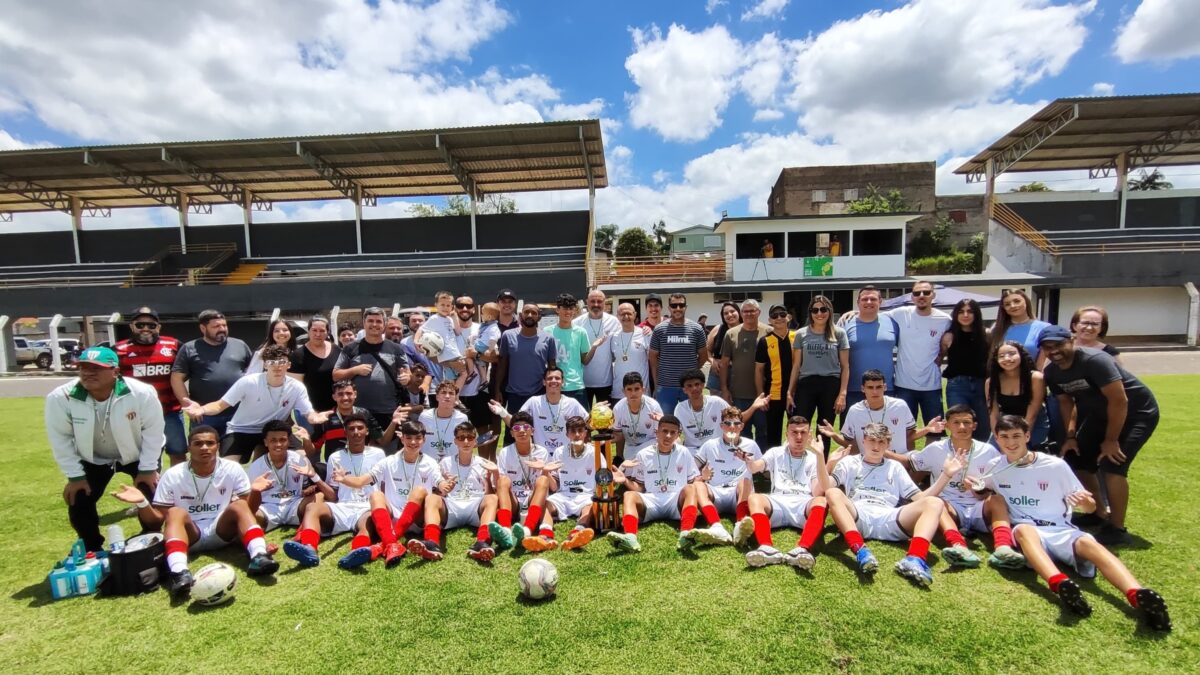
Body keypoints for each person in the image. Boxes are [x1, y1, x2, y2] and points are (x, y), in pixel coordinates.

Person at [976, 416, 1170, 631]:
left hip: (1060, 527)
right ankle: (1059, 584)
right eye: (1004, 437)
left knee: (1091, 546)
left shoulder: (1055, 465)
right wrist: (973, 487)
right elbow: (981, 491)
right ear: (996, 438)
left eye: (1016, 436)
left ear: (1028, 436)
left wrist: (1086, 502)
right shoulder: (995, 466)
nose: (1010, 443)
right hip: (1029, 529)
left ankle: (1137, 594)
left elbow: (1088, 507)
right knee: (1023, 530)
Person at [112, 425, 278, 598]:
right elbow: (156, 521)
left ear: (218, 446)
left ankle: (259, 556)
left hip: (221, 530)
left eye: (209, 443)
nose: (205, 447)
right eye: (198, 444)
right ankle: (179, 573)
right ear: (189, 448)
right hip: (190, 534)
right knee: (175, 512)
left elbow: (246, 513)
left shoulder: (232, 469)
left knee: (240, 505)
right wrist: (142, 502)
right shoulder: (173, 474)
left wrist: (256, 492)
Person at [1040, 326, 1159, 546]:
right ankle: (1099, 513)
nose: (1054, 350)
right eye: (1048, 347)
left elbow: (1119, 400)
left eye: (1058, 345)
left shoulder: (1095, 360)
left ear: (1071, 341)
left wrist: (1111, 440)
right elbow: (1067, 403)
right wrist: (1071, 436)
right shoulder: (1052, 373)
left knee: (1110, 464)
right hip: (1099, 415)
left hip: (1136, 414)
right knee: (1076, 457)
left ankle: (1117, 527)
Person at [46, 346, 163, 552]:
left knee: (150, 494)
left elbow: (153, 431)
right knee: (79, 500)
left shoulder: (141, 392)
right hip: (94, 457)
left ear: (115, 372)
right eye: (83, 367)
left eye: (96, 368)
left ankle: (150, 539)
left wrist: (147, 469)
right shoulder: (60, 397)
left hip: (138, 454)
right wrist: (75, 476)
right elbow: (60, 438)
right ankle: (93, 548)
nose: (88, 373)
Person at [884, 404, 1026, 569]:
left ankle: (1003, 548)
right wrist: (881, 451)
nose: (962, 427)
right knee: (937, 503)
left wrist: (980, 490)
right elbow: (910, 463)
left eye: (966, 422)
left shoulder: (989, 451)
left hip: (978, 506)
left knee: (997, 499)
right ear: (947, 425)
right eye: (956, 422)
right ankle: (959, 546)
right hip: (951, 507)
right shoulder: (936, 448)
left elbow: (994, 487)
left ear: (975, 425)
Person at [824, 422, 963, 585]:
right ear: (863, 441)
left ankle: (915, 559)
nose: (876, 446)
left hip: (889, 517)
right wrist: (823, 460)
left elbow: (920, 499)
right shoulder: (849, 462)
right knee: (833, 493)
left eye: (881, 441)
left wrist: (945, 475)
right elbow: (826, 487)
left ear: (888, 444)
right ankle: (860, 551)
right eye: (872, 440)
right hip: (858, 516)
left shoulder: (895, 467)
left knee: (934, 503)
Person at [181, 344, 331, 463]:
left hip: (272, 429)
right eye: (272, 362)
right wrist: (201, 409)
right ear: (265, 365)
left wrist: (315, 418)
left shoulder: (296, 387)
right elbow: (219, 405)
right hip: (241, 429)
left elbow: (308, 413)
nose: (277, 366)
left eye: (282, 362)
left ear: (288, 365)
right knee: (229, 465)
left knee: (301, 459)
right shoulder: (249, 382)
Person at [332, 418, 444, 566]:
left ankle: (384, 544)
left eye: (418, 438)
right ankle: (392, 544)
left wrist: (446, 484)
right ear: (401, 437)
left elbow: (439, 482)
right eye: (408, 438)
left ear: (424, 439)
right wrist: (343, 479)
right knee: (376, 495)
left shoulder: (430, 462)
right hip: (392, 517)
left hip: (418, 517)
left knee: (419, 491)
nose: (413, 442)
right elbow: (361, 481)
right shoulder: (389, 461)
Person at [735, 417, 830, 570]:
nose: (799, 437)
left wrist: (820, 456)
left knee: (821, 501)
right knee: (754, 498)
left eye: (803, 433)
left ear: (809, 435)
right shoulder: (775, 452)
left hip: (802, 503)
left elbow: (818, 491)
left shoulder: (814, 458)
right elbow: (755, 468)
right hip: (778, 500)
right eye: (794, 432)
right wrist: (749, 461)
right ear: (787, 434)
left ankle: (802, 549)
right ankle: (766, 548)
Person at [606, 415, 702, 554]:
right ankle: (630, 537)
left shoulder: (684, 452)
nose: (668, 436)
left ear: (678, 435)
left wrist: (702, 478)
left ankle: (686, 534)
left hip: (675, 500)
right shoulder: (643, 454)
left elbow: (694, 480)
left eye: (673, 432)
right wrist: (626, 480)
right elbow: (640, 487)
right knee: (629, 495)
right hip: (652, 500)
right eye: (664, 431)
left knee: (690, 488)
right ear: (656, 432)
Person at [114, 306, 186, 465]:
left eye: (151, 325)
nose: (146, 329)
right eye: (140, 325)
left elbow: (186, 372)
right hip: (137, 414)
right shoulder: (119, 350)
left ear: (158, 327)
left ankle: (178, 489)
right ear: (132, 326)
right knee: (147, 458)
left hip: (170, 413)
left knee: (179, 454)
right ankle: (151, 490)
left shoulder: (173, 345)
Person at [245, 420, 334, 542]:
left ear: (288, 441)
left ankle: (302, 531)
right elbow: (249, 498)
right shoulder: (256, 466)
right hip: (268, 507)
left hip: (294, 504)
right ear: (266, 442)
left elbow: (305, 487)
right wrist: (256, 491)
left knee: (319, 496)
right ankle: (258, 545)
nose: (278, 444)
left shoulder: (299, 459)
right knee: (245, 515)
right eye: (273, 440)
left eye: (282, 440)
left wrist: (308, 489)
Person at [819, 370, 943, 457]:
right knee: (837, 457)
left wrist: (927, 429)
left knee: (920, 459)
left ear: (885, 387)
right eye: (870, 387)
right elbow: (850, 443)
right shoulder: (855, 411)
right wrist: (834, 435)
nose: (875, 391)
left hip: (898, 459)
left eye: (878, 387)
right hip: (869, 460)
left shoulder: (900, 405)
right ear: (863, 389)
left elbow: (909, 436)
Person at [170, 309, 253, 437]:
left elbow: (252, 373)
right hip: (203, 414)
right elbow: (176, 378)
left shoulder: (240, 345)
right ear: (203, 328)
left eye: (224, 325)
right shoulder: (189, 348)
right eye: (216, 326)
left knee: (233, 455)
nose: (222, 329)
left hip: (236, 413)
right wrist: (189, 406)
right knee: (203, 454)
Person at [521, 416, 597, 551]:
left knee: (591, 506)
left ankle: (577, 533)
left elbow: (603, 478)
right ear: (567, 434)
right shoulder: (559, 452)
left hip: (586, 495)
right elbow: (555, 486)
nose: (577, 435)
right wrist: (545, 471)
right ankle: (545, 535)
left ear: (586, 433)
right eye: (573, 431)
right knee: (544, 504)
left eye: (580, 431)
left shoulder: (594, 452)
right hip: (563, 495)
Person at [689, 407, 763, 547]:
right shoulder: (710, 445)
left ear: (742, 426)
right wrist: (702, 476)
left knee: (745, 481)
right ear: (721, 426)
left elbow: (764, 469)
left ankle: (740, 526)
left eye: (736, 424)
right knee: (698, 485)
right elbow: (691, 471)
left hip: (739, 494)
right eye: (727, 423)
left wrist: (751, 463)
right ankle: (717, 527)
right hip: (715, 492)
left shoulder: (751, 445)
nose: (732, 427)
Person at [333, 307, 412, 438]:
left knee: (387, 449)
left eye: (378, 321)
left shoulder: (396, 349)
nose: (374, 325)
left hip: (388, 410)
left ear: (384, 325)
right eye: (370, 321)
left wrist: (406, 378)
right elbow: (335, 375)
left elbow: (407, 374)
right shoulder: (350, 349)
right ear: (364, 323)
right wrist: (354, 370)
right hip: (358, 411)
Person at [433, 421, 504, 562]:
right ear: (455, 441)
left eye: (470, 438)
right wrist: (446, 488)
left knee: (492, 499)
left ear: (475, 440)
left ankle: (482, 542)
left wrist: (490, 479)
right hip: (452, 505)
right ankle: (432, 542)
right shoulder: (445, 463)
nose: (466, 441)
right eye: (461, 438)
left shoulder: (483, 463)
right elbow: (439, 493)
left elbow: (489, 494)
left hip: (474, 507)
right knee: (431, 499)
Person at [323, 414, 388, 568]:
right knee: (313, 508)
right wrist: (314, 479)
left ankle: (357, 551)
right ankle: (308, 546)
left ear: (367, 431)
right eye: (351, 429)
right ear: (345, 432)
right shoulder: (335, 457)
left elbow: (384, 485)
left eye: (360, 428)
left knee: (367, 523)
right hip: (343, 506)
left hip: (367, 506)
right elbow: (333, 492)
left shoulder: (378, 454)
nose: (356, 432)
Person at [889, 280, 951, 434]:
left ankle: (931, 458)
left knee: (935, 432)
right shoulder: (900, 313)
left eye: (926, 292)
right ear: (912, 296)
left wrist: (943, 354)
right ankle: (908, 458)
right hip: (904, 385)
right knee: (903, 432)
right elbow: (874, 314)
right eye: (917, 293)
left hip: (932, 387)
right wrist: (853, 312)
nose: (921, 296)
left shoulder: (945, 320)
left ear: (933, 295)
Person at [486, 411, 552, 551]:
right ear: (511, 433)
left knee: (543, 479)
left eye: (526, 427)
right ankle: (506, 530)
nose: (521, 431)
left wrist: (544, 469)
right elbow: (499, 485)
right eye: (516, 428)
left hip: (532, 498)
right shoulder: (505, 452)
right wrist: (495, 473)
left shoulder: (542, 452)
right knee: (503, 480)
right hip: (513, 501)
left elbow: (548, 485)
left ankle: (527, 529)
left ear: (532, 431)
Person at [787, 295, 849, 431]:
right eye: (815, 310)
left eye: (823, 309)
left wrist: (842, 394)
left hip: (830, 384)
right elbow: (796, 366)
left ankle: (823, 453)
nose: (819, 313)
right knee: (800, 426)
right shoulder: (800, 334)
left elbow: (845, 366)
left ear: (829, 311)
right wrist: (790, 392)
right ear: (810, 313)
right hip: (806, 384)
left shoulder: (839, 333)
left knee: (825, 428)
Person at [493, 367, 588, 454]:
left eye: (557, 378)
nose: (553, 381)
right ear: (544, 382)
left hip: (566, 456)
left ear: (563, 382)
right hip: (541, 457)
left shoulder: (572, 403)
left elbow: (588, 423)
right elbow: (515, 424)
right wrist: (502, 412)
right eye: (550, 378)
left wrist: (600, 410)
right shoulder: (534, 402)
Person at [493, 303, 557, 429]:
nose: (529, 315)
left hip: (538, 392)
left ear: (539, 317)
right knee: (513, 430)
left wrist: (552, 391)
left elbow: (552, 367)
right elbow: (502, 365)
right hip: (515, 393)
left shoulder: (548, 338)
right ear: (521, 315)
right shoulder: (508, 336)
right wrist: (497, 389)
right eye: (526, 312)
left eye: (534, 313)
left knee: (538, 430)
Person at [649, 293, 708, 412]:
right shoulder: (659, 329)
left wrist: (691, 372)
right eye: (674, 305)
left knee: (692, 422)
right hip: (665, 386)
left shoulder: (696, 329)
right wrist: (656, 385)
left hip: (689, 387)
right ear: (669, 308)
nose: (678, 309)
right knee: (666, 422)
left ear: (686, 307)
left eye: (681, 305)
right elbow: (653, 359)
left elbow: (703, 355)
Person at [842, 286, 898, 410]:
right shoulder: (845, 323)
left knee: (885, 429)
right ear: (858, 302)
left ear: (880, 301)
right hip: (853, 389)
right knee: (852, 429)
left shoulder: (892, 322)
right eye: (864, 299)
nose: (868, 302)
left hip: (885, 388)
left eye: (873, 299)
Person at [720, 299, 769, 442]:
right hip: (739, 393)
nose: (749, 314)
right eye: (745, 311)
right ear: (741, 313)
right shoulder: (731, 334)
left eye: (752, 310)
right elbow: (724, 364)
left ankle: (762, 462)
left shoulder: (769, 332)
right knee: (742, 432)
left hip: (763, 393)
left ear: (759, 312)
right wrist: (724, 388)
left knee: (763, 432)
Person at [942, 299, 990, 441]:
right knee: (959, 422)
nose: (965, 315)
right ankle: (960, 457)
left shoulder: (986, 334)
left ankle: (980, 459)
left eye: (970, 311)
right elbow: (938, 358)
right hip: (957, 385)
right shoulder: (948, 336)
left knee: (982, 426)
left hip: (982, 385)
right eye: (961, 312)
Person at [986, 341, 1049, 448]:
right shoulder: (991, 382)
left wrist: (1020, 438)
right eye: (1001, 356)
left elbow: (1032, 414)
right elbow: (993, 415)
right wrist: (999, 437)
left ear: (1021, 355)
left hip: (1033, 423)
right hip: (1006, 423)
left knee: (1022, 453)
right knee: (993, 452)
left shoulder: (1035, 378)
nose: (1007, 358)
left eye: (1011, 354)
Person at [308, 380, 387, 464]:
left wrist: (393, 422)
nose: (345, 398)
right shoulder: (326, 418)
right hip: (336, 467)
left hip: (362, 464)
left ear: (355, 394)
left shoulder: (364, 414)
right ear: (334, 397)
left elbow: (382, 440)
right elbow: (312, 451)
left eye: (349, 393)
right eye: (340, 394)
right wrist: (306, 439)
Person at [548, 293, 604, 408]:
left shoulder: (580, 332)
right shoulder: (547, 331)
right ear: (558, 310)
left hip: (577, 386)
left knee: (581, 423)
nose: (568, 312)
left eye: (571, 308)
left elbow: (585, 361)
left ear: (574, 310)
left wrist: (594, 347)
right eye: (564, 308)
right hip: (556, 385)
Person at [755, 304, 796, 447]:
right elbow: (759, 370)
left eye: (782, 314)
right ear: (769, 320)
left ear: (788, 317)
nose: (779, 318)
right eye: (774, 316)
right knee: (773, 434)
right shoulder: (764, 341)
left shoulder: (796, 337)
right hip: (773, 394)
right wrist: (761, 395)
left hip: (795, 393)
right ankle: (773, 466)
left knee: (797, 430)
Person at [452, 296, 492, 438]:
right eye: (460, 305)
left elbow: (494, 357)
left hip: (478, 389)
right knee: (454, 433)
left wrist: (476, 355)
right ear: (455, 308)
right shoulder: (449, 329)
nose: (464, 309)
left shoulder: (482, 328)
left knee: (483, 431)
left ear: (474, 309)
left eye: (468, 306)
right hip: (454, 390)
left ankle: (483, 461)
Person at [575, 289, 621, 407]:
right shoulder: (577, 323)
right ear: (587, 302)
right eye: (593, 301)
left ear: (604, 303)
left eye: (599, 301)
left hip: (606, 381)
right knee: (584, 419)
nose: (596, 305)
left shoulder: (614, 321)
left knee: (605, 418)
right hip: (582, 382)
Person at [417, 290, 472, 388]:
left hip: (453, 352)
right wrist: (416, 341)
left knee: (454, 378)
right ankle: (455, 396)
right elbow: (422, 328)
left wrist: (455, 318)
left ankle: (454, 396)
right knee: (462, 374)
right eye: (442, 305)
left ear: (452, 307)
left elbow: (458, 332)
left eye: (448, 305)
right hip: (447, 354)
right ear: (436, 305)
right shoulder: (434, 318)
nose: (445, 308)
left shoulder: (450, 319)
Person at [289, 314, 340, 413]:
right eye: (314, 330)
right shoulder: (298, 356)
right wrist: (310, 411)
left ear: (327, 332)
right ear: (308, 331)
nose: (318, 334)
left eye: (322, 331)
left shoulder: (336, 349)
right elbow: (296, 388)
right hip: (311, 411)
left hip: (337, 409)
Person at [612, 372, 663, 460]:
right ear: (623, 391)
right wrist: (619, 457)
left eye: (636, 389)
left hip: (650, 445)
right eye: (629, 389)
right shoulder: (618, 408)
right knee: (628, 469)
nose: (633, 393)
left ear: (643, 390)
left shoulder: (653, 406)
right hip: (630, 447)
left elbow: (661, 434)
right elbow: (618, 435)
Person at [990, 288, 1049, 360]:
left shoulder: (1044, 328)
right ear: (1004, 308)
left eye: (1017, 301)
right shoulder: (997, 329)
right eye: (1007, 304)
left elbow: (1045, 359)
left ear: (1026, 302)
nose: (1012, 306)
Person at [610, 302, 652, 402]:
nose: (626, 316)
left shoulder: (645, 334)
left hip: (641, 392)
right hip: (619, 391)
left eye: (629, 313)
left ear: (635, 314)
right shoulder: (613, 337)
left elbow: (653, 361)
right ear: (617, 316)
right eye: (622, 314)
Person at [419, 381, 470, 463]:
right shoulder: (424, 417)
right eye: (443, 392)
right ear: (437, 397)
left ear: (455, 397)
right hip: (428, 464)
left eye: (451, 393)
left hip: (452, 464)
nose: (447, 396)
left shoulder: (462, 418)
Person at [705, 301, 741, 393]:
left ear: (739, 312)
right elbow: (706, 350)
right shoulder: (718, 329)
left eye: (732, 311)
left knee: (737, 405)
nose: (729, 315)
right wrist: (712, 361)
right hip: (718, 373)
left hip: (740, 375)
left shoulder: (746, 329)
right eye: (725, 313)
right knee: (718, 405)